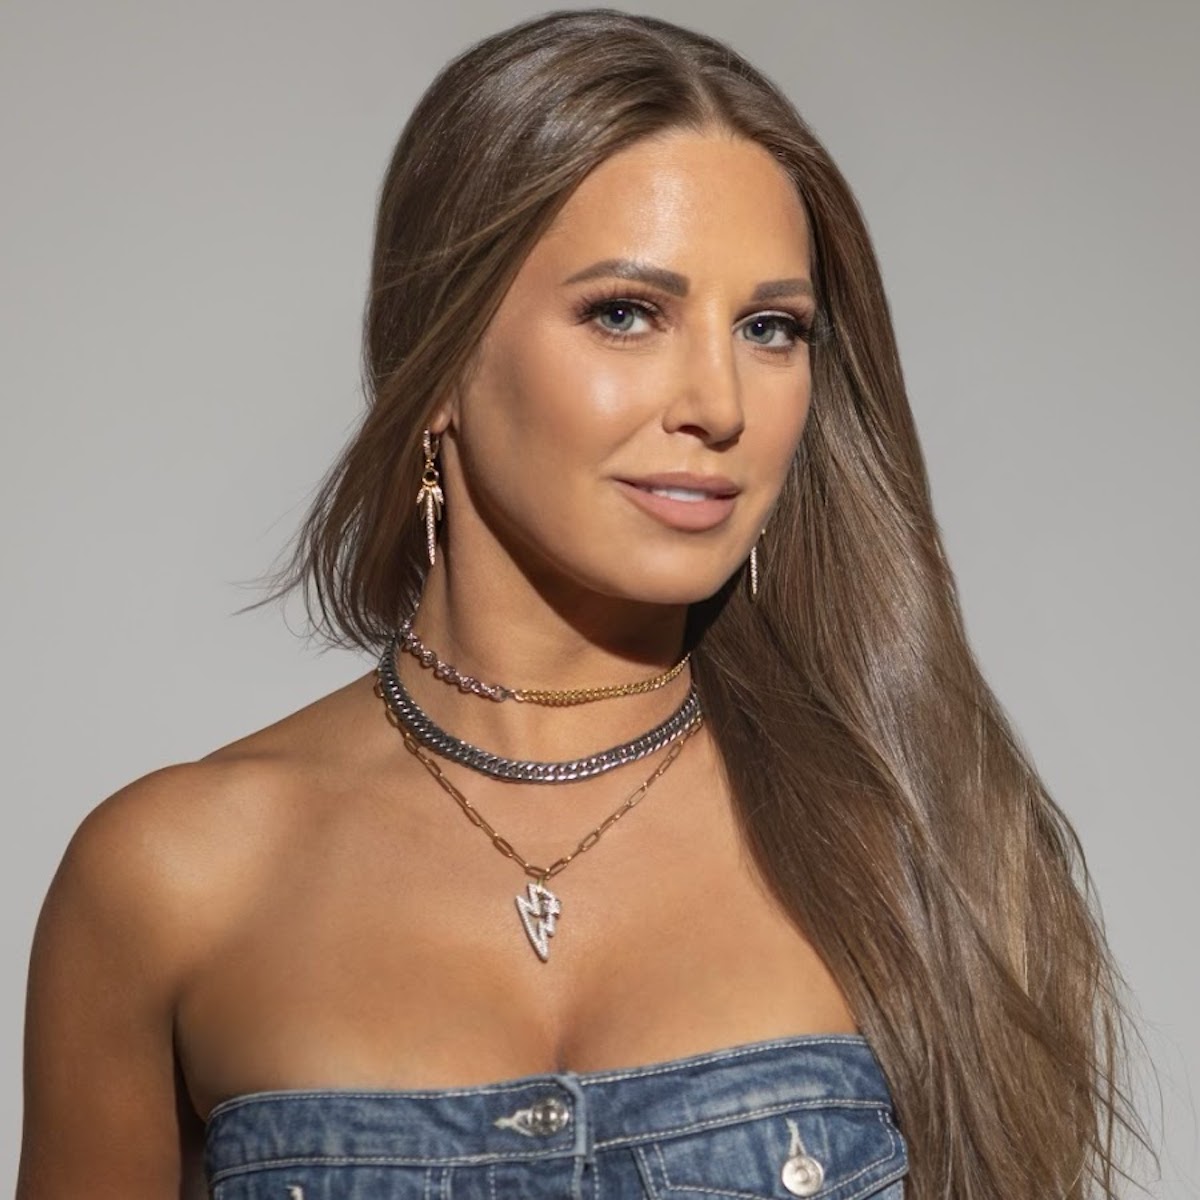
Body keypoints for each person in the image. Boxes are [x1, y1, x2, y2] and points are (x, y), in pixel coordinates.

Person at [17, 9, 1151, 1199]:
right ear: (441, 358)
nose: (720, 401)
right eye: (626, 312)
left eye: (770, 329)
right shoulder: (172, 880)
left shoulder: (922, 843)